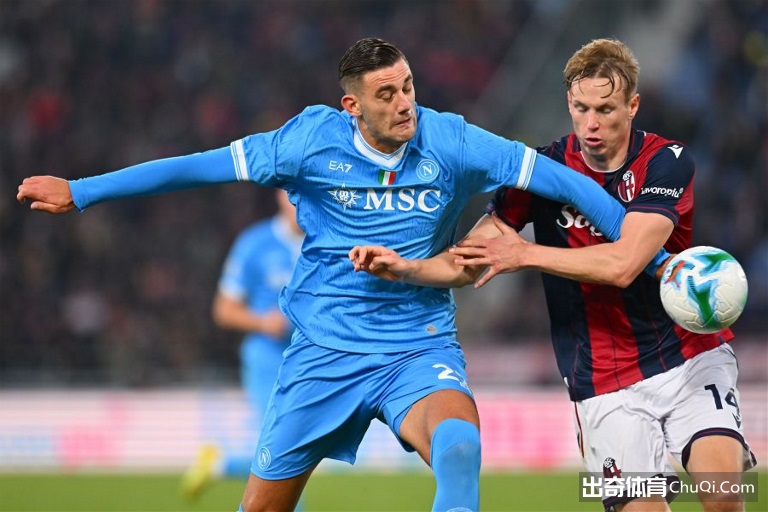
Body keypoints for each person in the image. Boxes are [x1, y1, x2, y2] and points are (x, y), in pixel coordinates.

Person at [17, 37, 667, 512]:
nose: (405, 104)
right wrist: (82, 191)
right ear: (352, 105)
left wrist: (655, 257)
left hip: (416, 348)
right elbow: (195, 167)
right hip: (323, 352)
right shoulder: (306, 143)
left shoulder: (452, 140)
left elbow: (563, 182)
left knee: (460, 445)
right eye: (387, 94)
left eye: (408, 86)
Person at [349, 39, 756, 512]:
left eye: (605, 109)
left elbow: (625, 263)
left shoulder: (667, 162)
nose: (591, 123)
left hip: (688, 359)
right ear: (568, 103)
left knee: (723, 495)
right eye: (581, 108)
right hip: (603, 383)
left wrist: (526, 254)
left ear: (632, 106)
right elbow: (472, 259)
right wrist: (407, 268)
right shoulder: (543, 171)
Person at [181, 189, 304, 501]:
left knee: (297, 445)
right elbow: (224, 310)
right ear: (279, 195)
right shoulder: (255, 244)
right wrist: (263, 322)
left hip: (311, 357)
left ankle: (220, 463)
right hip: (268, 357)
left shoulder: (327, 239)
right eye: (292, 193)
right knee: (283, 446)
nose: (299, 201)